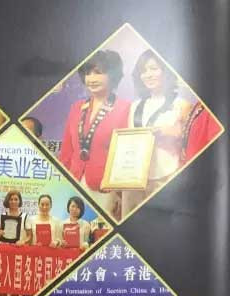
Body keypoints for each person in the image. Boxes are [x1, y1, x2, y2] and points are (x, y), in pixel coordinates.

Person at [58, 50, 130, 220]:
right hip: (74, 182)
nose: (91, 78)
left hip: (105, 187)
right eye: (88, 73)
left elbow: (126, 155)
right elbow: (67, 150)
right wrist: (63, 182)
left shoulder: (125, 108)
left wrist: (119, 192)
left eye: (98, 72)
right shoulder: (76, 108)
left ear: (112, 75)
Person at [121, 50, 191, 217]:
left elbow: (190, 142)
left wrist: (171, 133)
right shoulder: (134, 106)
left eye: (154, 68)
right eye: (143, 70)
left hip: (166, 177)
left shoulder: (181, 104)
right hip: (134, 179)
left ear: (166, 71)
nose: (148, 75)